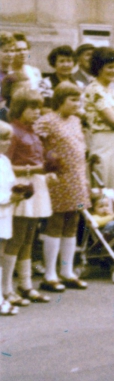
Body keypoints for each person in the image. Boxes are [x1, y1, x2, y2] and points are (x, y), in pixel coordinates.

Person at [35, 83, 90, 292]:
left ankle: (67, 271)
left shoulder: (76, 120)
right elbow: (37, 144)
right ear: (60, 100)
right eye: (73, 100)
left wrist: (84, 177)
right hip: (58, 177)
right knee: (56, 220)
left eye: (79, 100)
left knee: (73, 220)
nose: (77, 104)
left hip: (76, 177)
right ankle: (50, 273)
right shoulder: (47, 120)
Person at [3, 89, 52, 305]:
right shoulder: (12, 132)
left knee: (29, 239)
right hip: (22, 187)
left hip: (37, 185)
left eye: (38, 107)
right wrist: (35, 170)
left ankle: (26, 285)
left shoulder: (33, 132)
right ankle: (7, 288)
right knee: (17, 239)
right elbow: (6, 164)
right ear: (20, 108)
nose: (36, 112)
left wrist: (46, 172)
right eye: (31, 107)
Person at [82, 48, 114, 189]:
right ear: (99, 68)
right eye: (109, 67)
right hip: (104, 142)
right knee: (107, 185)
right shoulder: (94, 89)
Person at [0, 122, 28, 315]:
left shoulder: (4, 161)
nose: (7, 142)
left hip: (4, 214)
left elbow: (10, 185)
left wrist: (18, 193)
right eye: (3, 139)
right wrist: (8, 198)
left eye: (9, 138)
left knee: (1, 255)